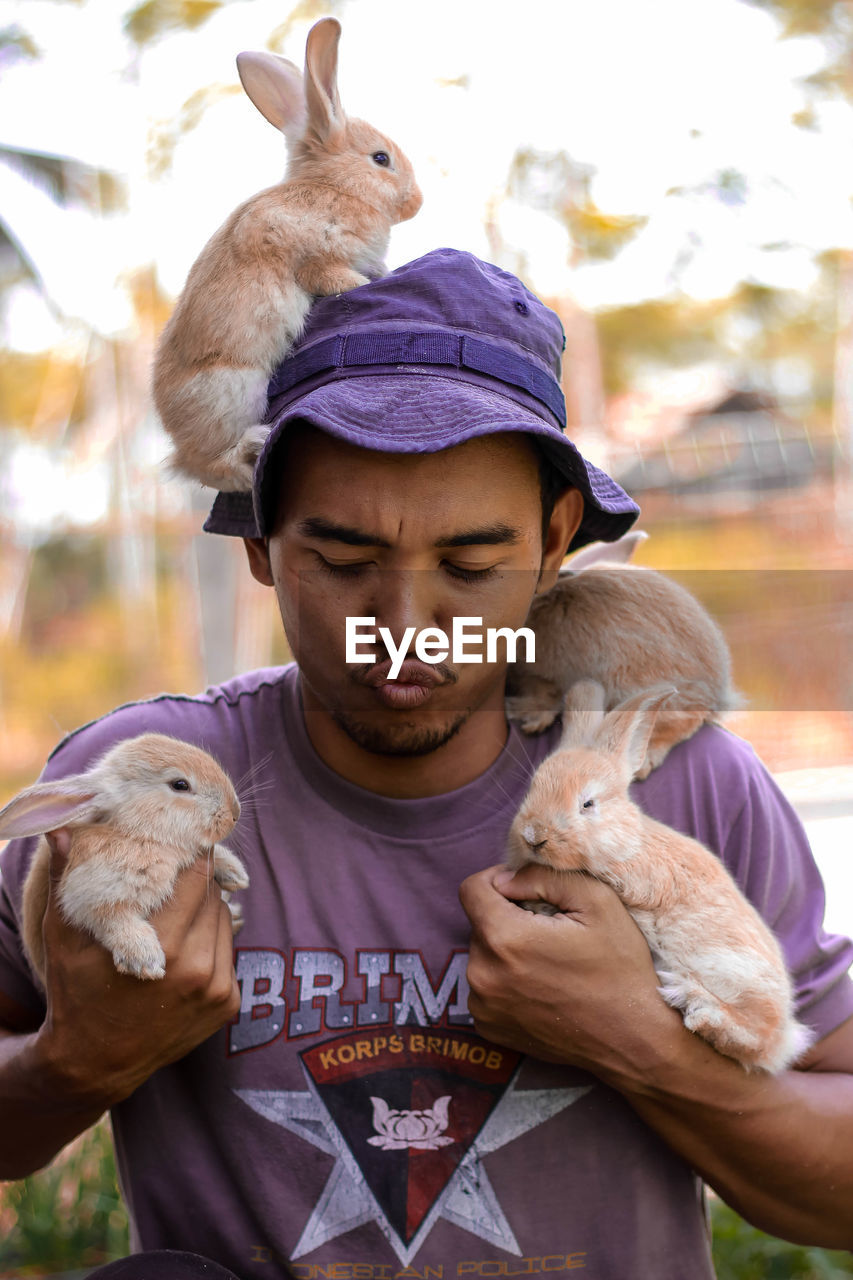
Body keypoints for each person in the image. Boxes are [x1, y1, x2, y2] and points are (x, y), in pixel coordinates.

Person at [0, 248, 852, 1280]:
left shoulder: (664, 780)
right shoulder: (137, 788)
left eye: (469, 565)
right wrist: (75, 1059)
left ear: (555, 539)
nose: (405, 628)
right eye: (346, 561)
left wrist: (648, 1044)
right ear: (261, 542)